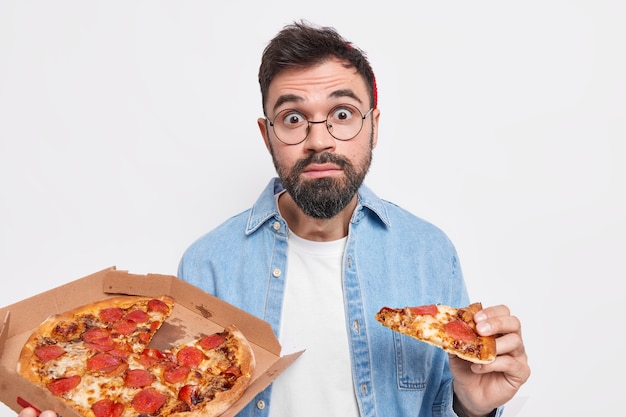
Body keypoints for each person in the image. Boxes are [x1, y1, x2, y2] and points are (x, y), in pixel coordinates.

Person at [18, 20, 530, 417]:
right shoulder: (207, 262)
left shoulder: (429, 251)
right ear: (266, 135)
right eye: (292, 118)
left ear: (374, 125)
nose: (319, 139)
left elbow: (450, 405)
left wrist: (474, 407)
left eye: (343, 113)